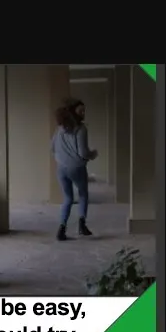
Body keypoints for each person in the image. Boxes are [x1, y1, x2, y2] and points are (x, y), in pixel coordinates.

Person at [52, 97, 98, 241]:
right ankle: (82, 225)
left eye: (84, 110)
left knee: (67, 198)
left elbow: (52, 147)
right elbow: (83, 153)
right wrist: (92, 155)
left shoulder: (60, 129)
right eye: (80, 111)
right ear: (72, 112)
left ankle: (61, 228)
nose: (83, 113)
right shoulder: (81, 129)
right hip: (77, 167)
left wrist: (61, 158)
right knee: (83, 194)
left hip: (61, 168)